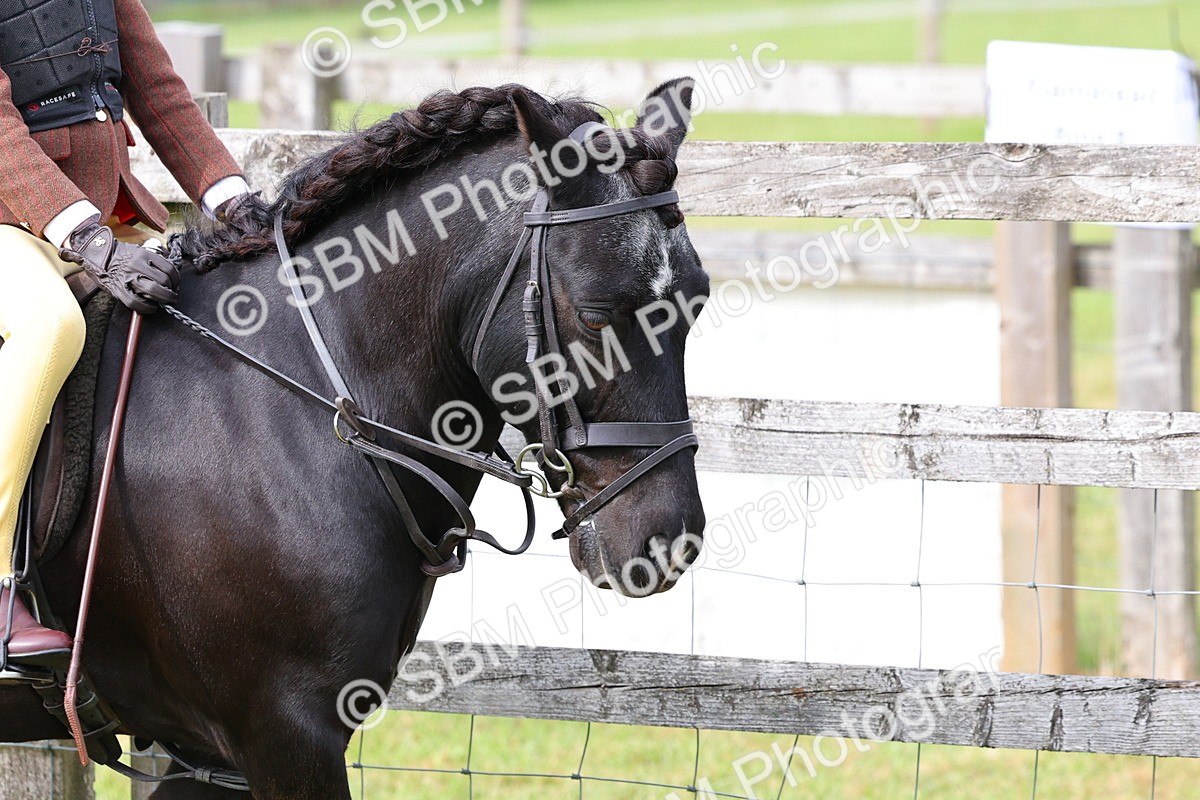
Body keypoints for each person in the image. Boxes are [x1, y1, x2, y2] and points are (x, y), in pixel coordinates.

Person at [0, 0, 254, 679]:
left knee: (219, 299)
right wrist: (86, 238)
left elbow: (159, 92)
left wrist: (235, 201)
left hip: (105, 219)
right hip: (15, 222)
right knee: (49, 326)